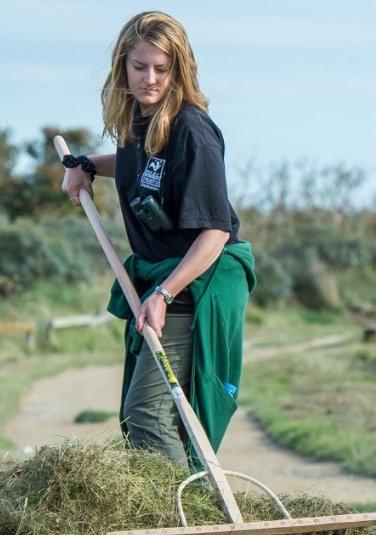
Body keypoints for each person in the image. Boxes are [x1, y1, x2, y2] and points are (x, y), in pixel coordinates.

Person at [61, 11, 256, 468]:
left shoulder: (192, 129)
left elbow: (215, 232)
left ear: (179, 69)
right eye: (140, 66)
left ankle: (184, 521)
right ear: (122, 69)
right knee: (147, 417)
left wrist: (165, 294)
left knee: (147, 415)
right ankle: (185, 512)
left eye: (161, 69)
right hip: (165, 279)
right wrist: (86, 164)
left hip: (199, 282)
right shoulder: (139, 123)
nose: (150, 79)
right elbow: (133, 165)